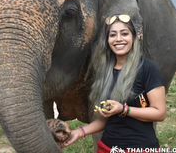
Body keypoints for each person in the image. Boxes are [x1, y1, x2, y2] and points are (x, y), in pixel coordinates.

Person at [62, 14, 166, 153]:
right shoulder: (105, 72)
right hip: (107, 148)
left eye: (124, 33)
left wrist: (124, 109)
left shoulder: (147, 68)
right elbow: (104, 120)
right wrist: (78, 132)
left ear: (134, 37)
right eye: (112, 35)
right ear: (107, 40)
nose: (118, 39)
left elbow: (160, 113)